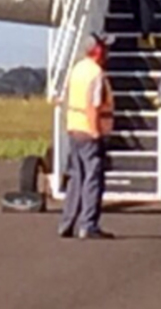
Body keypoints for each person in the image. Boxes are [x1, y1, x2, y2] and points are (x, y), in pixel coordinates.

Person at [58, 34, 115, 240]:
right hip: (89, 132)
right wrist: (96, 133)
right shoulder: (96, 73)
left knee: (76, 177)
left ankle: (67, 222)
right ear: (98, 51)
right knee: (93, 178)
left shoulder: (78, 69)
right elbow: (94, 106)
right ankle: (88, 225)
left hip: (74, 129)